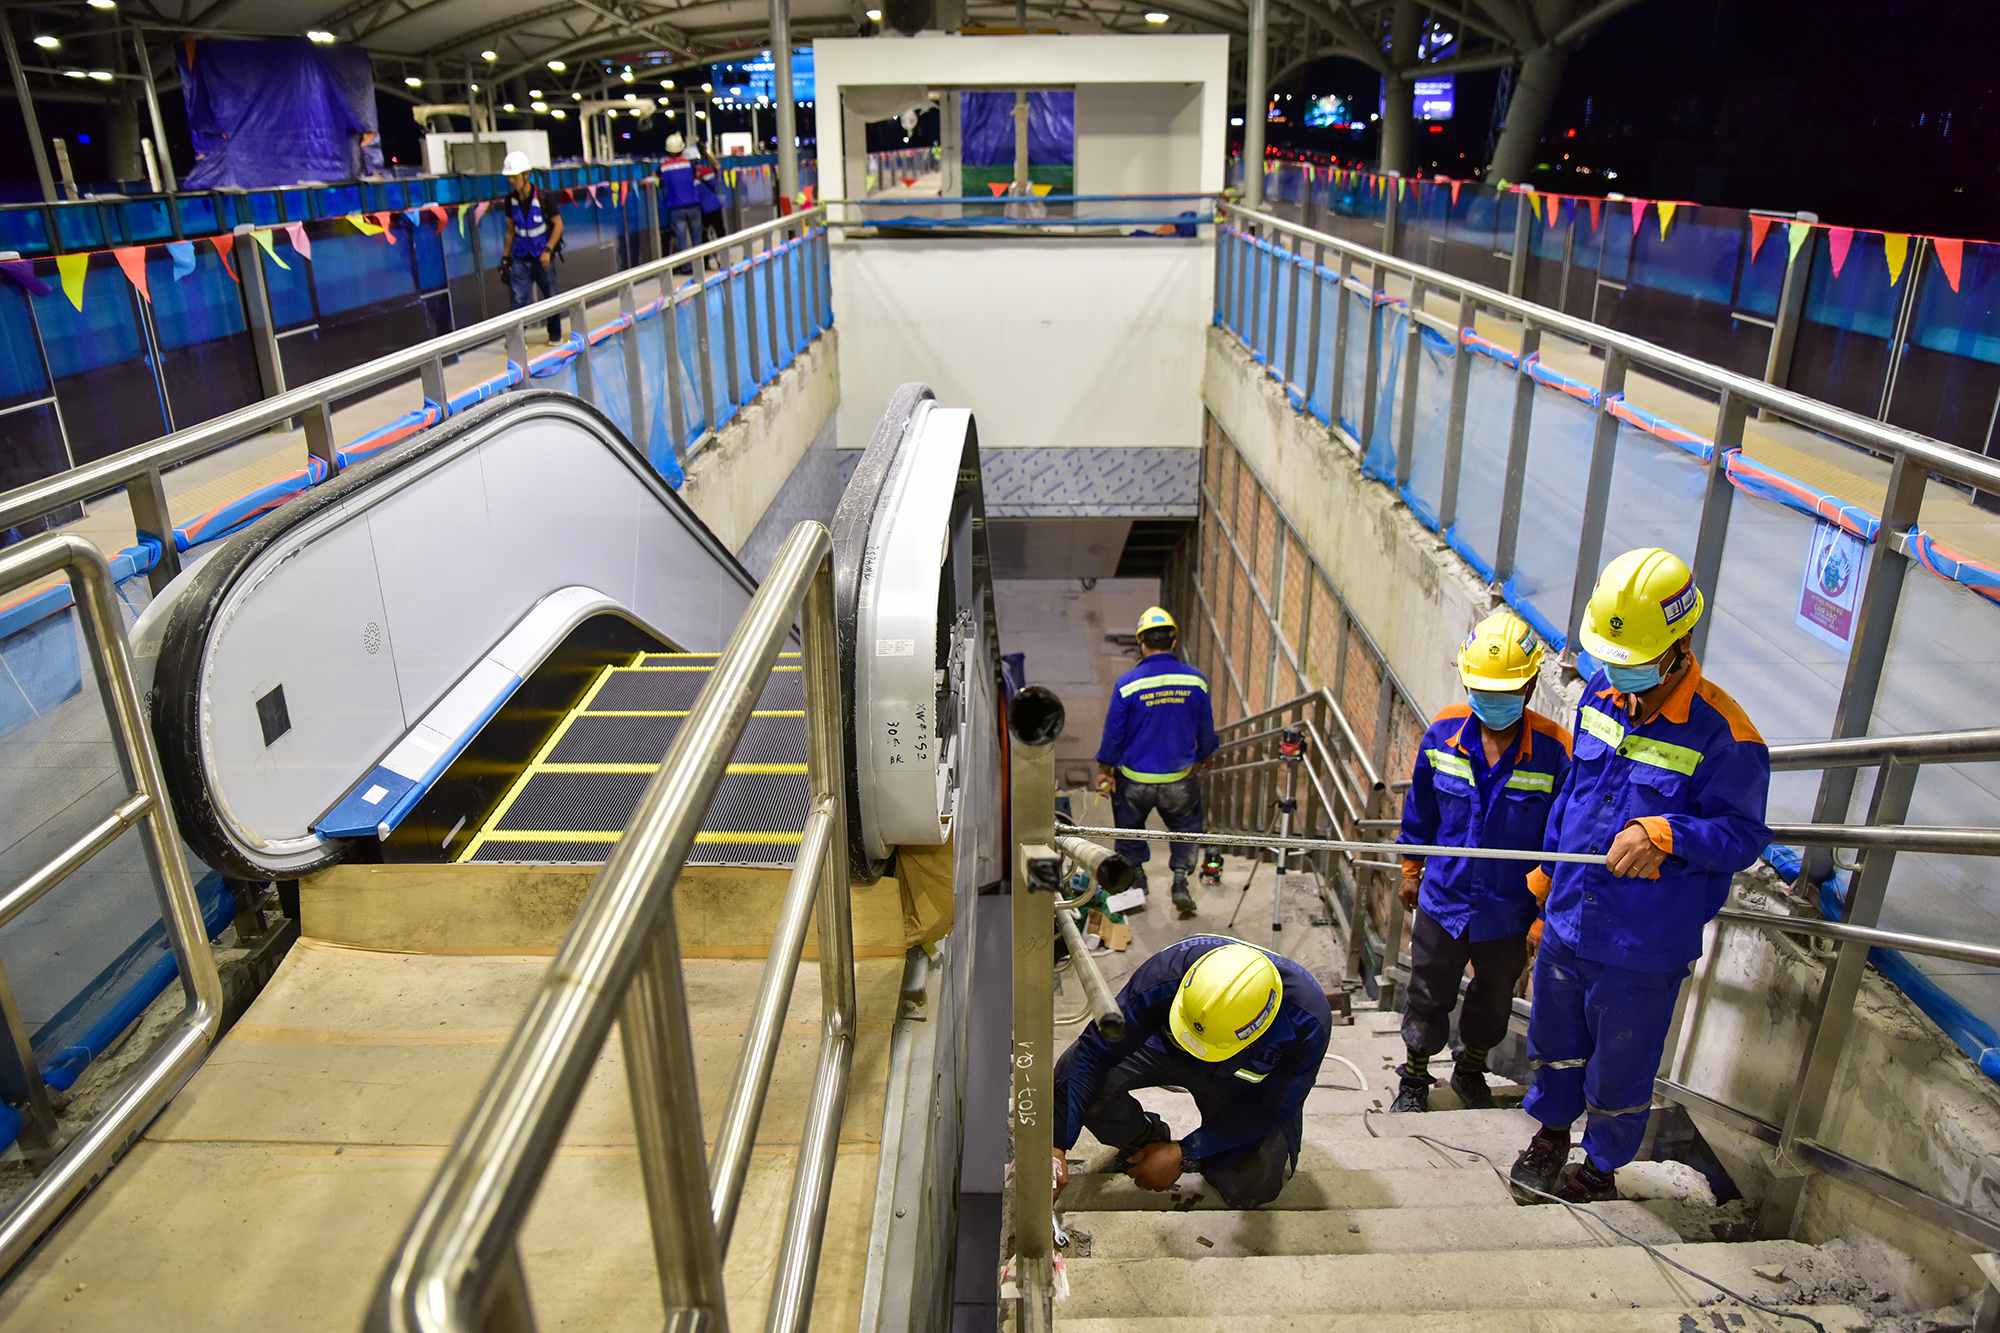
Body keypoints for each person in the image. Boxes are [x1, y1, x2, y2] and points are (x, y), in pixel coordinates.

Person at [1509, 548, 1770, 1205]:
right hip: (1569, 920)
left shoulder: (1727, 737)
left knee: (1622, 1064)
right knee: (1555, 1042)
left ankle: (1600, 1167)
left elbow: (1742, 836)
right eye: (1610, 659)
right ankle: (1550, 1135)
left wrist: (1668, 833)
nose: (1616, 676)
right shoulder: (1601, 693)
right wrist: (1544, 888)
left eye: (1630, 661)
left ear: (1678, 646)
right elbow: (1570, 796)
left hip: (1641, 945)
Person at [1392, 611, 1571, 1114]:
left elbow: (1561, 836)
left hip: (1509, 909)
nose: (1491, 700)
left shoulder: (1556, 752)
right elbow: (1421, 809)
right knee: (1427, 991)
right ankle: (1415, 1078)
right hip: (1444, 898)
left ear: (1532, 685)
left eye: (1504, 689)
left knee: (1493, 997)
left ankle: (1470, 1069)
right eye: (1481, 688)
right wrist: (1410, 868)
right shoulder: (1443, 732)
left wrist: (1542, 910)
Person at [1052, 936, 1332, 1209]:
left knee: (1251, 1185)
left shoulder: (1308, 1022)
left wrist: (1185, 1153)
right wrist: (1055, 1145)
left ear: (1259, 1027)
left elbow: (1272, 1107)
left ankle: (1195, 1158)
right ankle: (1145, 1140)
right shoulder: (1166, 973)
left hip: (1240, 1087)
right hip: (1164, 1049)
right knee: (1075, 1075)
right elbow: (1093, 1053)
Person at [1095, 606, 1217, 918]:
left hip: (1135, 781)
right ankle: (1179, 881)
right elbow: (1206, 729)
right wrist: (1205, 756)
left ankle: (1137, 879)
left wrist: (1105, 769)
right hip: (1179, 779)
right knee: (1187, 828)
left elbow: (1113, 734)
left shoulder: (1128, 683)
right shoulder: (1197, 682)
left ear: (1142, 644)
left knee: (1130, 828)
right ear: (1174, 642)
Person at [499, 151, 564, 344]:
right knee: (518, 300)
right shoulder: (510, 201)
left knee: (551, 297)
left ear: (526, 175)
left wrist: (548, 250)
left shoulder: (544, 198)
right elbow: (510, 230)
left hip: (542, 257)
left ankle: (555, 335)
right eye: (509, 177)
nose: (512, 180)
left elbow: (558, 224)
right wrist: (505, 257)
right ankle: (517, 340)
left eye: (515, 177)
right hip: (520, 258)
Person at [658, 135, 704, 265]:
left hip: (675, 207)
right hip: (693, 204)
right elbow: (697, 175)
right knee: (697, 238)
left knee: (681, 239)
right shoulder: (689, 163)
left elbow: (654, 178)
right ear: (682, 149)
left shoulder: (663, 166)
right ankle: (699, 265)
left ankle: (687, 267)